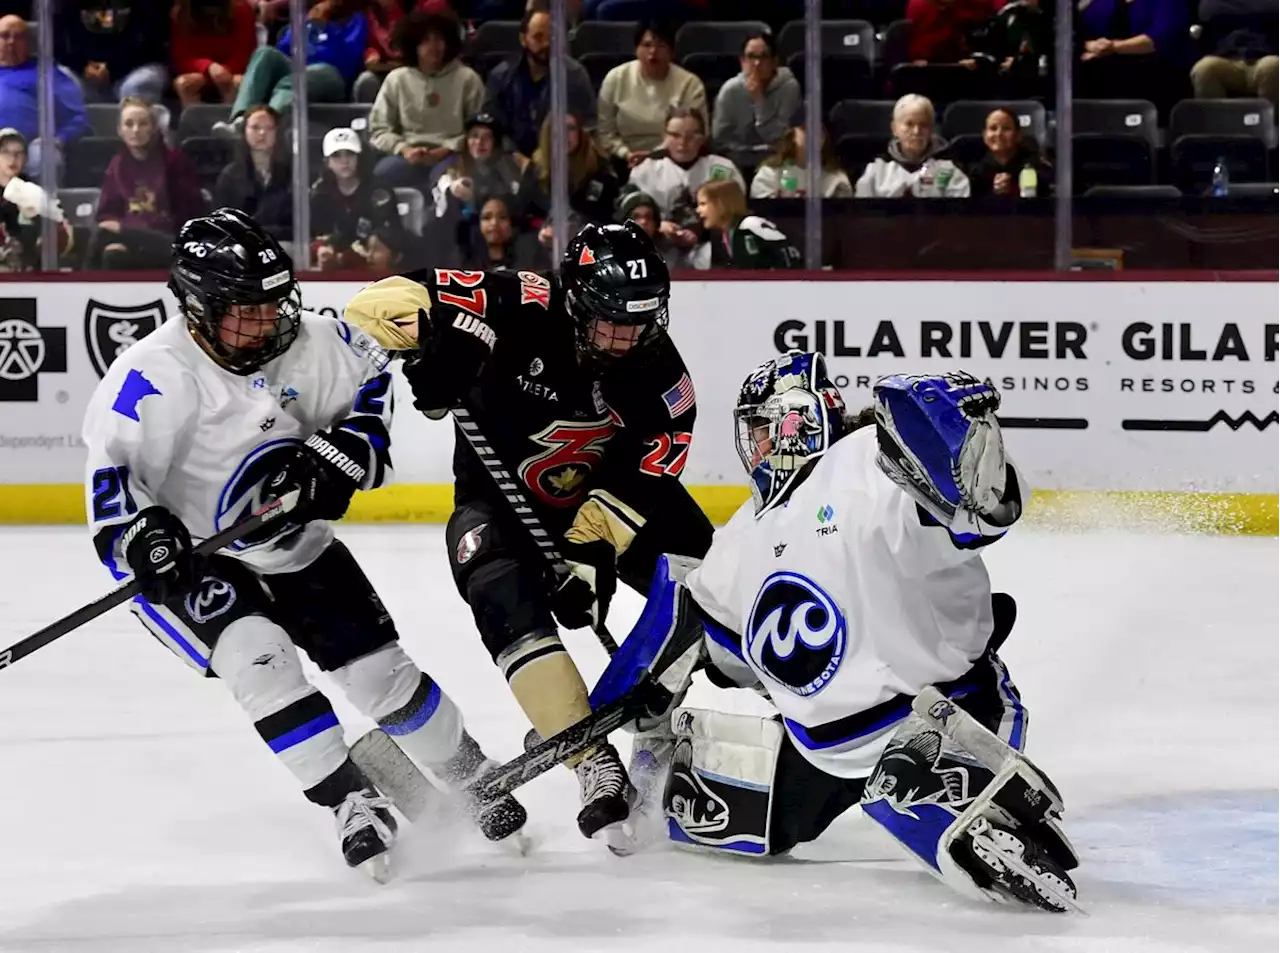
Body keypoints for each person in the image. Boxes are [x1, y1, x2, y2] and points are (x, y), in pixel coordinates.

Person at [80, 208, 528, 879]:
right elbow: (111, 483)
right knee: (258, 660)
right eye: (245, 310)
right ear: (198, 309)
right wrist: (145, 538)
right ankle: (350, 800)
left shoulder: (315, 342)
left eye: (272, 302)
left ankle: (470, 771)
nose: (267, 320)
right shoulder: (151, 376)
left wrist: (349, 448)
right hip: (202, 557)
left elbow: (372, 382)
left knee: (382, 675)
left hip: (300, 547)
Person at [591, 351, 1081, 913]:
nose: (754, 446)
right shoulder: (735, 543)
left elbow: (985, 509)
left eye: (759, 427)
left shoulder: (872, 463)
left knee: (911, 790)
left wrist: (948, 423)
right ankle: (672, 776)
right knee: (685, 805)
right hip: (822, 751)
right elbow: (713, 642)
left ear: (792, 419)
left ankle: (969, 795)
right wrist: (628, 709)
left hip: (944, 710)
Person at [341, 221, 714, 844]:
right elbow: (375, 304)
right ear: (575, 301)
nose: (626, 339)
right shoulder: (522, 299)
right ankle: (591, 758)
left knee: (711, 587)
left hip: (603, 508)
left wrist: (588, 561)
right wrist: (430, 347)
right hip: (499, 505)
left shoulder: (668, 389)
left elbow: (640, 488)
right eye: (609, 322)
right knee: (500, 594)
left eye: (640, 322)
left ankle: (659, 716)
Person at [369, 11, 486, 190]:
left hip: (452, 156)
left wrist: (447, 148)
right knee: (380, 175)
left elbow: (480, 130)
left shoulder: (468, 79)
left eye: (438, 39)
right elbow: (379, 128)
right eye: (426, 41)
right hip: (408, 155)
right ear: (413, 45)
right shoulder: (397, 79)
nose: (433, 46)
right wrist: (403, 149)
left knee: (448, 183)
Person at [90, 97, 206, 269]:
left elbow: (189, 217)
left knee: (107, 239)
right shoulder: (117, 164)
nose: (135, 130)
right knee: (108, 248)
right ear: (120, 130)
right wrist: (127, 237)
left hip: (171, 243)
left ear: (154, 128)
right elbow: (106, 214)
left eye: (143, 124)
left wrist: (128, 231)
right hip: (132, 240)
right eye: (129, 124)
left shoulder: (175, 161)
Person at [483, 2, 597, 166]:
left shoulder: (574, 75)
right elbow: (491, 126)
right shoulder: (501, 76)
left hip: (563, 163)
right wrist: (516, 157)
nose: (546, 44)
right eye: (538, 37)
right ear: (523, 39)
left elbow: (588, 124)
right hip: (509, 162)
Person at [597, 20, 708, 168]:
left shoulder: (690, 84)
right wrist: (625, 153)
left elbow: (697, 133)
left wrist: (653, 156)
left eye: (661, 46)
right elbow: (604, 131)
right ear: (636, 49)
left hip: (674, 159)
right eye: (647, 45)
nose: (653, 52)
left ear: (672, 51)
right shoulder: (616, 78)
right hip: (622, 159)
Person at [0, 15, 90, 182]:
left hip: (30, 148)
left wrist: (58, 139)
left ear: (29, 43)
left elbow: (77, 118)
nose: (11, 42)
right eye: (4, 36)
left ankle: (41, 207)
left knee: (45, 157)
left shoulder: (48, 73)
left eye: (18, 37)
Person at [311, 126, 408, 271]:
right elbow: (315, 233)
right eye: (336, 155)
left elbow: (388, 232)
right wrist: (322, 249)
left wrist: (351, 253)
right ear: (327, 161)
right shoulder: (319, 193)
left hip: (373, 259)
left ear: (359, 156)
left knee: (379, 249)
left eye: (349, 154)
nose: (344, 161)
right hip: (334, 255)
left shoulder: (378, 189)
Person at [855, 94, 970, 198]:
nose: (916, 131)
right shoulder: (876, 170)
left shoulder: (948, 170)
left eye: (923, 125)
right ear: (894, 128)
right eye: (909, 124)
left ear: (931, 129)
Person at [711, 32, 801, 157]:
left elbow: (782, 137)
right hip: (738, 158)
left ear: (775, 62)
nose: (757, 63)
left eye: (764, 57)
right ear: (742, 61)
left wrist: (759, 100)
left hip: (778, 158)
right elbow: (719, 140)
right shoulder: (730, 90)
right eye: (751, 56)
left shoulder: (789, 88)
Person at [213, 104, 292, 240]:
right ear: (245, 131)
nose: (262, 133)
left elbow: (298, 225)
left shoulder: (292, 173)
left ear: (277, 132)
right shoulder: (230, 175)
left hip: (283, 245)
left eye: (269, 128)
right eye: (255, 127)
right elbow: (222, 223)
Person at [693, 179, 802, 270]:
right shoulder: (724, 234)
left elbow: (788, 257)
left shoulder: (750, 225)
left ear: (722, 203)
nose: (698, 210)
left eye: (703, 204)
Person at [171, 0, 257, 107]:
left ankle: (231, 119)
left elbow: (245, 52)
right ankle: (194, 122)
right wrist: (208, 67)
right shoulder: (181, 12)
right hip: (200, 73)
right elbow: (182, 56)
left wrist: (226, 71)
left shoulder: (241, 8)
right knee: (183, 84)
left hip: (233, 73)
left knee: (239, 83)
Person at [966, 106, 1053, 198]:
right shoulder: (974, 172)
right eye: (993, 128)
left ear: (1018, 135)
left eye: (1006, 128)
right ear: (985, 136)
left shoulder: (1037, 167)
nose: (999, 134)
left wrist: (1014, 189)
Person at [749, 123, 853, 199]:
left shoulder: (836, 180)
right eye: (805, 129)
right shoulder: (769, 174)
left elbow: (842, 220)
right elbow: (761, 216)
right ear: (793, 135)